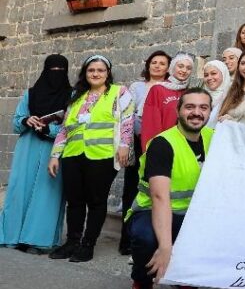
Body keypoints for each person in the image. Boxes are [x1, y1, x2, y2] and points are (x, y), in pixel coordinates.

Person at [124, 87, 213, 289]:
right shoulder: (162, 144)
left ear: (210, 112)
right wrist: (166, 247)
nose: (196, 113)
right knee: (146, 238)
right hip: (152, 210)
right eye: (190, 107)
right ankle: (142, 284)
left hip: (192, 214)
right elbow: (159, 197)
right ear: (178, 110)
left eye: (203, 107)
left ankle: (183, 279)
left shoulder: (215, 139)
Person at [47, 55, 134, 262]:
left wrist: (124, 146)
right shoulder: (77, 95)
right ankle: (72, 242)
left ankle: (88, 244)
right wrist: (55, 155)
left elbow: (128, 121)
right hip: (73, 154)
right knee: (74, 200)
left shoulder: (119, 92)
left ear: (107, 73)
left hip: (102, 155)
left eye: (100, 70)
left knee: (96, 201)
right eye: (91, 70)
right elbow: (64, 129)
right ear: (85, 73)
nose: (96, 74)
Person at [0, 54, 71, 253]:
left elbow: (71, 128)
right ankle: (11, 236)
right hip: (28, 147)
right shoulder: (30, 94)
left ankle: (38, 240)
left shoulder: (71, 96)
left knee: (47, 193)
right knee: (19, 190)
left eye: (60, 71)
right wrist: (26, 120)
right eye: (52, 70)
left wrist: (51, 130)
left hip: (53, 150)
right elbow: (16, 123)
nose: (56, 75)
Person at [121, 51, 171, 255]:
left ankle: (152, 237)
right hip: (137, 139)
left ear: (168, 68)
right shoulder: (137, 87)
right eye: (154, 62)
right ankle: (127, 238)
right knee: (131, 188)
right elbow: (128, 114)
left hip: (160, 141)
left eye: (162, 63)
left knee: (156, 190)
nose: (158, 66)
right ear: (148, 65)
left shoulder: (170, 88)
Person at [141, 53, 196, 151]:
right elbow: (151, 123)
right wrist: (152, 150)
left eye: (188, 68)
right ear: (172, 68)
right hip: (164, 146)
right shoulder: (158, 89)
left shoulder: (190, 93)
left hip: (186, 147)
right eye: (180, 66)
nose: (184, 70)